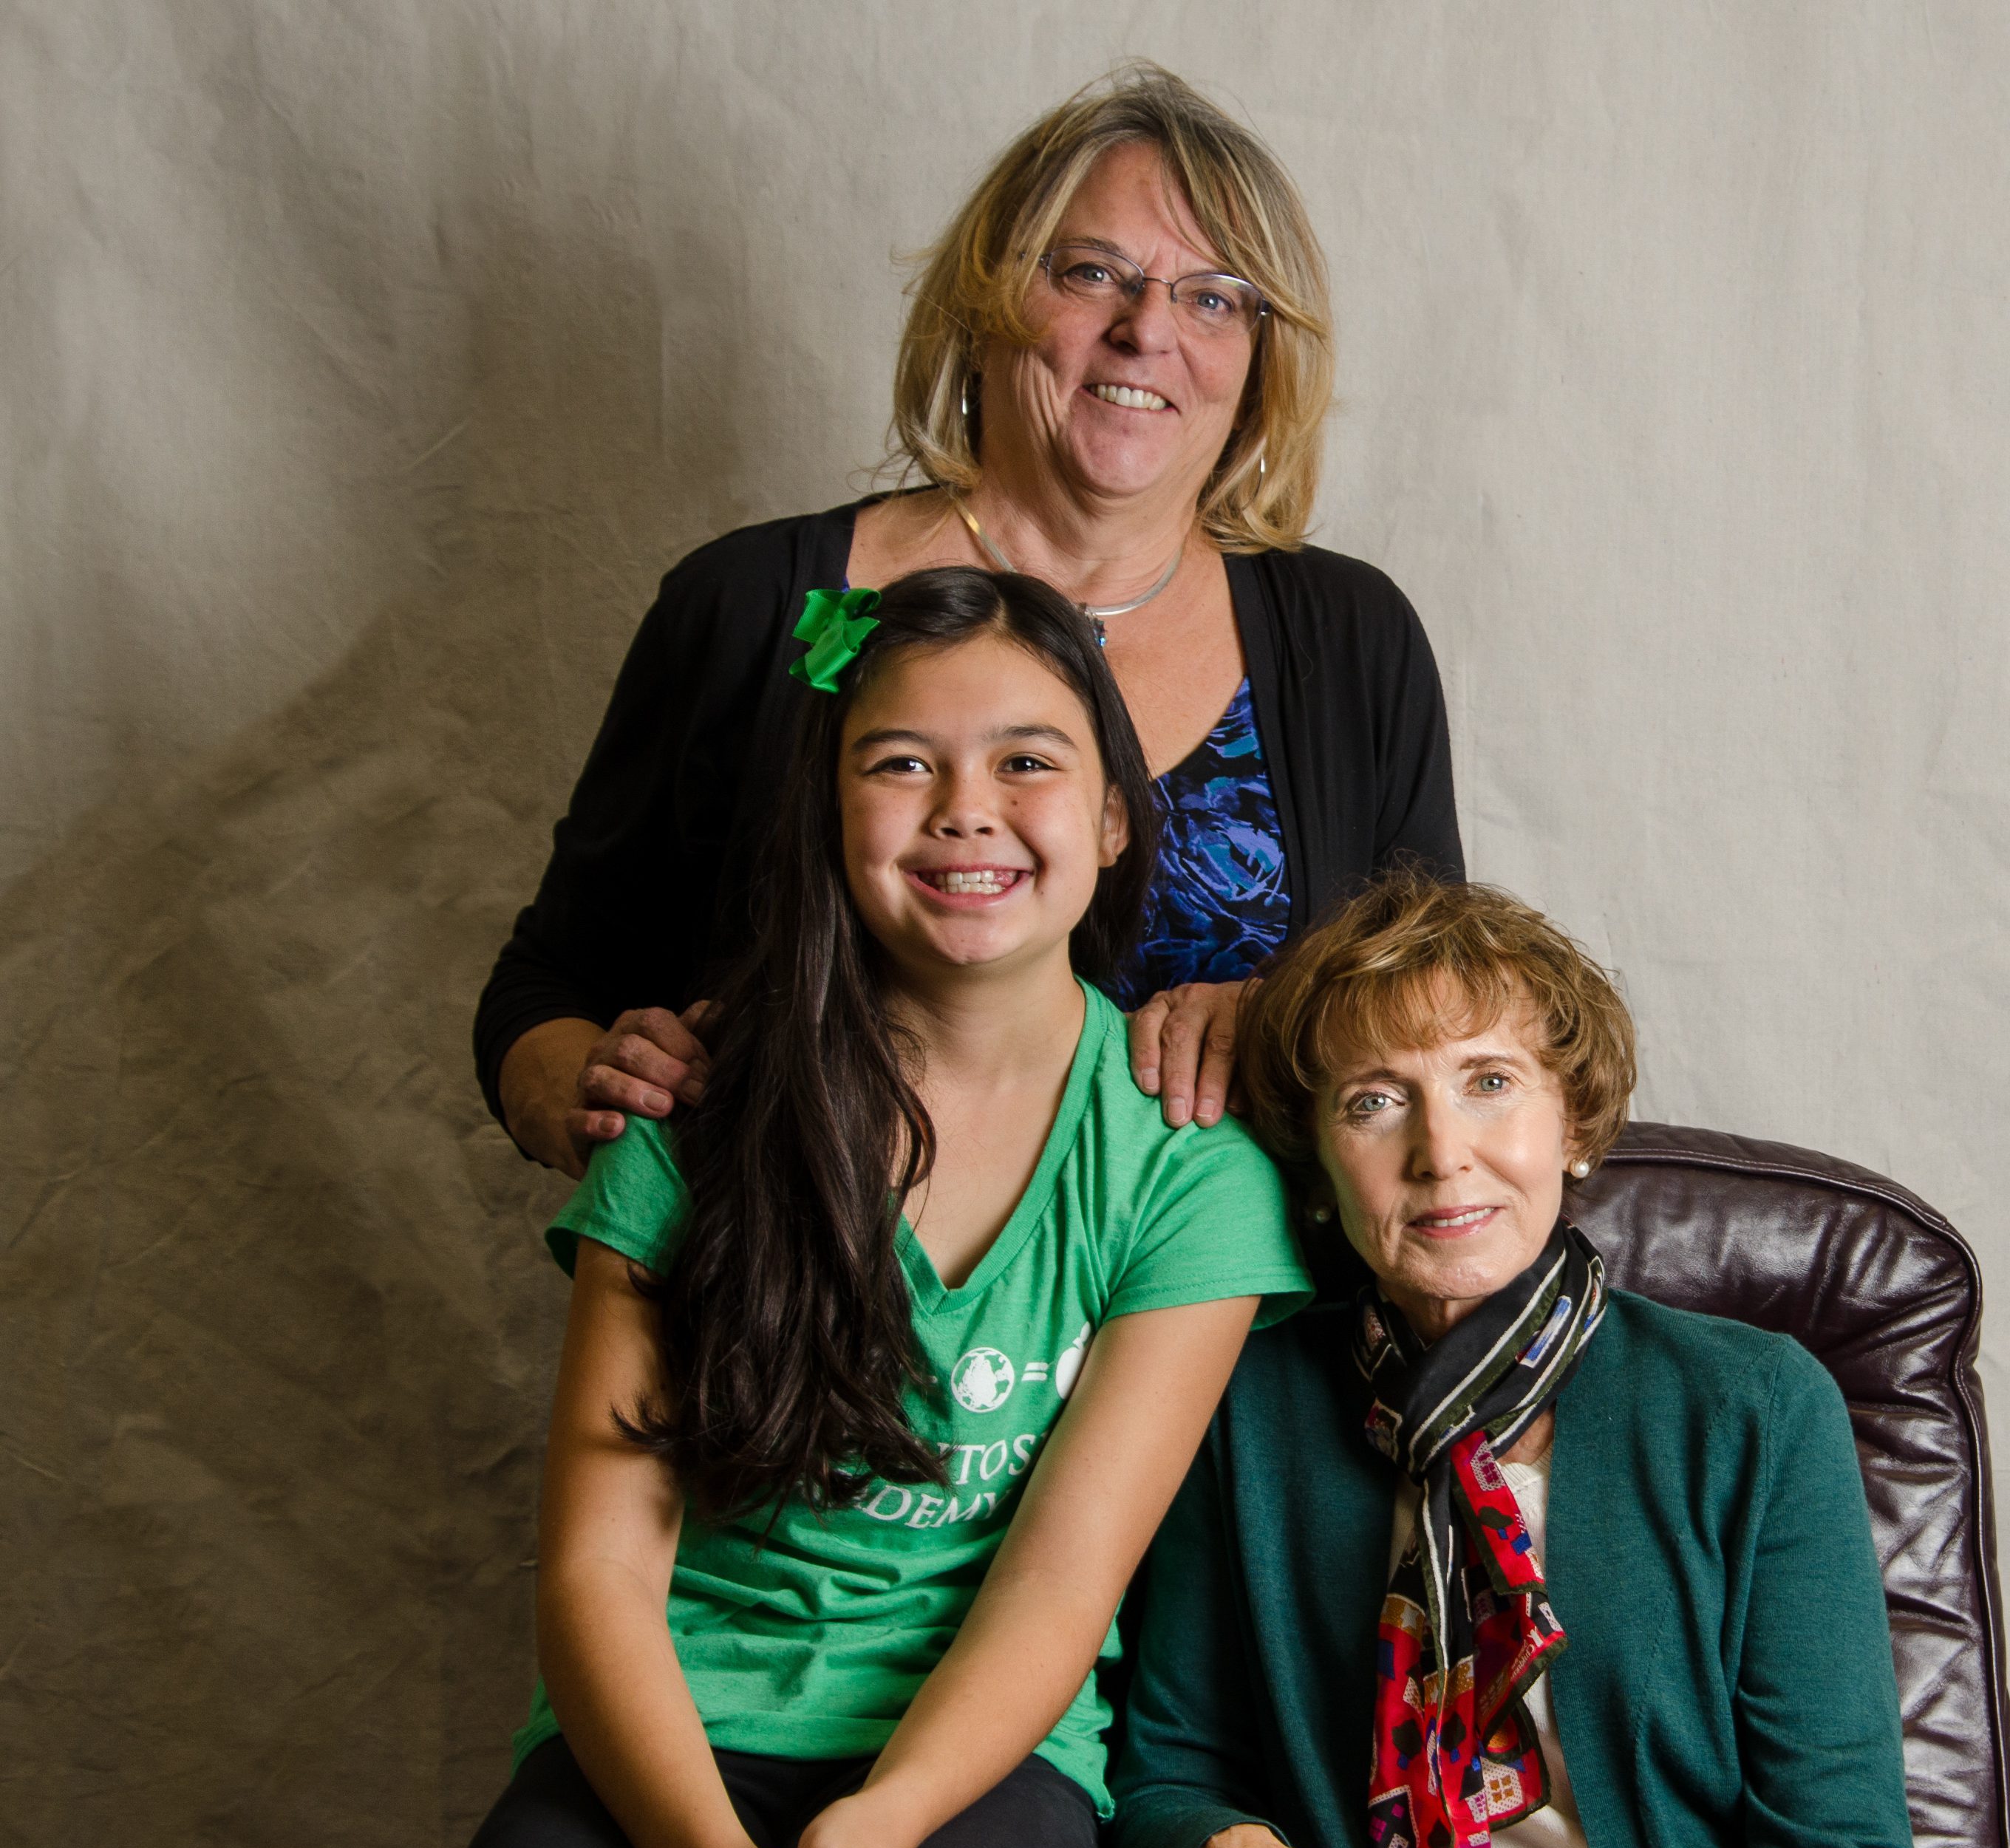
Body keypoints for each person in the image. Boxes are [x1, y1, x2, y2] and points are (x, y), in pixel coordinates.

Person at [437, 570, 1313, 1848]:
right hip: (668, 1738)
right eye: (901, 762)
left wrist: (893, 1812)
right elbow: (597, 1569)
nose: (966, 808)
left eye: (1026, 760)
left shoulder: (1181, 1164)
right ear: (826, 814)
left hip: (978, 1756)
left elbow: (1064, 1575)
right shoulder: (693, 1124)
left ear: (1109, 816)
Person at [476, 63, 1462, 1178]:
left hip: (1251, 1332)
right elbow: (546, 989)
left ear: (1260, 360)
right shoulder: (758, 607)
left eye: (1214, 295)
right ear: (985, 296)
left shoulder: (1349, 641)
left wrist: (1291, 1024)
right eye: (1094, 272)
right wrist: (587, 1091)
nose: (1148, 329)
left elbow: (1446, 1021)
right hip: (824, 1317)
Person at [1108, 872, 2010, 1848]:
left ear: (1575, 1124)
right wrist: (1227, 1840)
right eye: (1376, 1101)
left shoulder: (1753, 1405)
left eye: (1490, 1083)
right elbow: (1168, 1768)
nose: (1444, 1151)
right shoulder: (1245, 1407)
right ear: (1322, 1167)